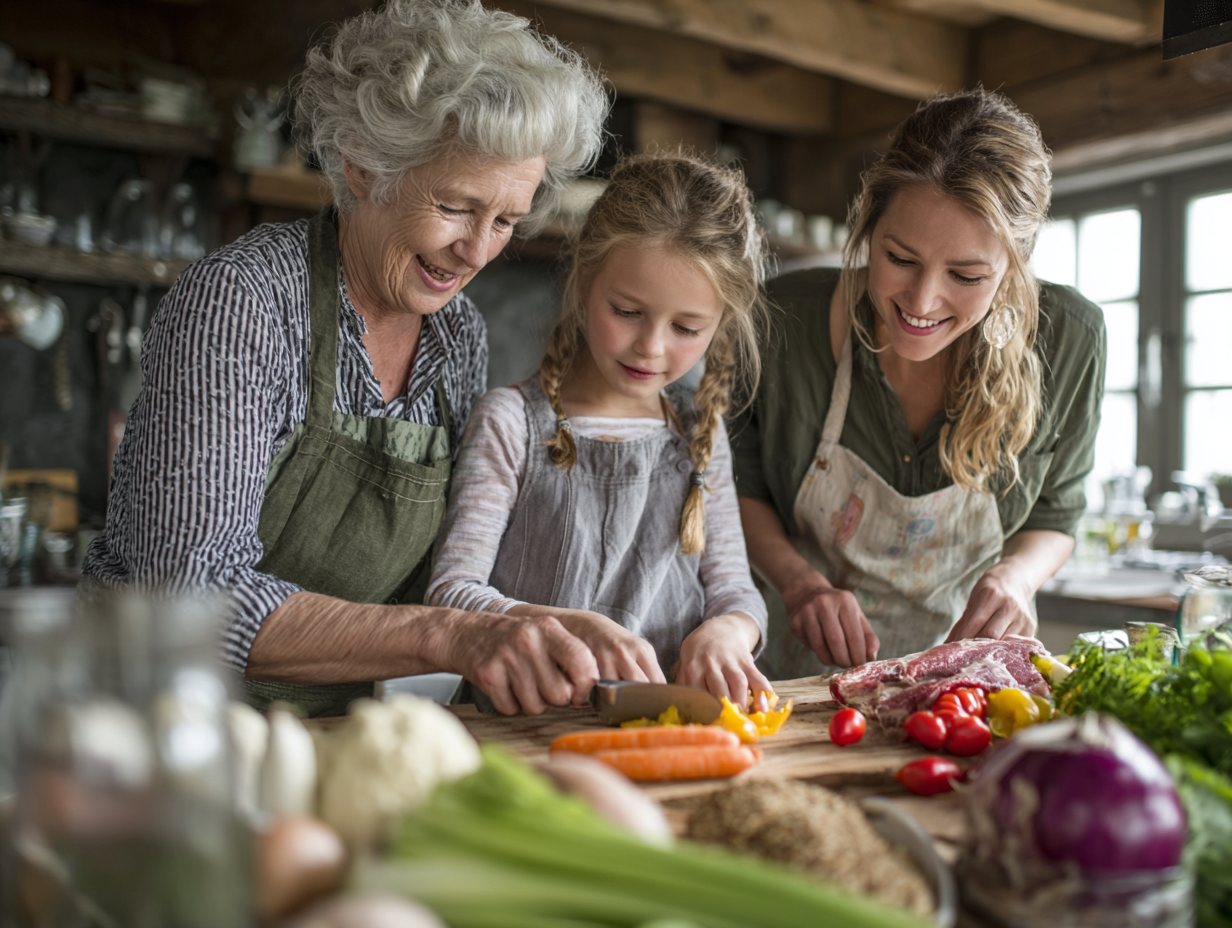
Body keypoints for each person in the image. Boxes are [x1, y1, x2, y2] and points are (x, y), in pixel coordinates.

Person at [82, 0, 610, 717]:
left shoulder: (458, 336)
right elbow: (190, 597)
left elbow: (449, 570)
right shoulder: (244, 302)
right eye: (456, 207)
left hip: (326, 737)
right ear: (364, 166)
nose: (477, 251)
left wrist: (536, 621)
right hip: (160, 727)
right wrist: (447, 637)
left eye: (506, 221)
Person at [733, 90, 1107, 679]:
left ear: (1014, 266)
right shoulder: (783, 319)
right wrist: (800, 584)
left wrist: (1015, 578)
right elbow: (738, 485)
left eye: (966, 275)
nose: (922, 301)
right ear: (869, 226)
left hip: (966, 687)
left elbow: (1056, 515)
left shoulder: (1069, 337)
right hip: (792, 677)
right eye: (901, 259)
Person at [427, 152, 774, 704]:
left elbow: (736, 592)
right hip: (521, 729)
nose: (651, 347)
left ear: (720, 326)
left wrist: (728, 631)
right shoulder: (510, 422)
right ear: (586, 280)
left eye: (686, 327)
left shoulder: (698, 435)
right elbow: (452, 594)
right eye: (628, 312)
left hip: (658, 729)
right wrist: (568, 627)